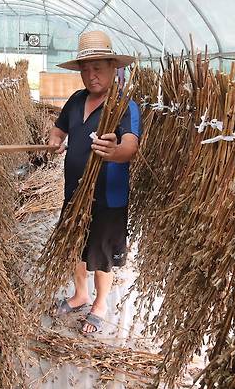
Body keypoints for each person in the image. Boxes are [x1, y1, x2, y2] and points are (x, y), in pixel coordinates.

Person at [48, 30, 141, 334]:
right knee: (75, 245)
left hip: (108, 197)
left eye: (97, 67)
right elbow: (59, 130)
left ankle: (100, 303)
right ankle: (80, 295)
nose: (91, 75)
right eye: (85, 69)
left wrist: (115, 151)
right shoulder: (76, 100)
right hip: (73, 193)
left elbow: (130, 145)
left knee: (101, 253)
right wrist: (54, 141)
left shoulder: (124, 104)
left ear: (113, 68)